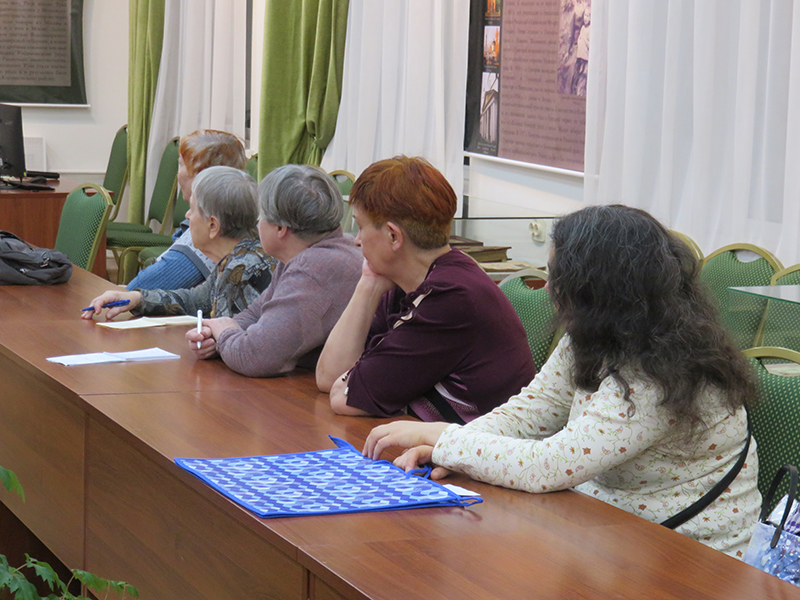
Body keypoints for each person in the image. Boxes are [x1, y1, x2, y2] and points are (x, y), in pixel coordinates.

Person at [364, 205, 761, 559]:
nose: (550, 287)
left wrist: (444, 438)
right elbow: (530, 412)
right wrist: (450, 450)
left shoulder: (659, 375)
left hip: (690, 559)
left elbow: (548, 465)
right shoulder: (594, 334)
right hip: (611, 530)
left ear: (598, 286)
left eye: (558, 275)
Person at [316, 156, 536, 423]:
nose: (357, 240)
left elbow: (345, 396)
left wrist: (357, 376)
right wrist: (368, 285)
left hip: (480, 447)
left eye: (361, 227)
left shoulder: (451, 297)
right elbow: (329, 378)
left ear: (393, 236)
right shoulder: (409, 281)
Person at [185, 164, 362, 377]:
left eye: (261, 216)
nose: (257, 223)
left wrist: (224, 332)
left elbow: (254, 356)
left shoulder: (313, 269)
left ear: (280, 228)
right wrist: (214, 336)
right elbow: (257, 313)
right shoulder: (306, 255)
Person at [83, 166, 275, 320]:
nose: (187, 215)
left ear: (213, 225)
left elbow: (243, 341)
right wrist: (137, 298)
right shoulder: (237, 258)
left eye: (192, 209)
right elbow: (195, 301)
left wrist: (214, 338)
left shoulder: (247, 270)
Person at [125, 130, 252, 291]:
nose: (178, 174)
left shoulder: (205, 236)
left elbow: (138, 289)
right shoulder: (236, 220)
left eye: (181, 165)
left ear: (201, 174)